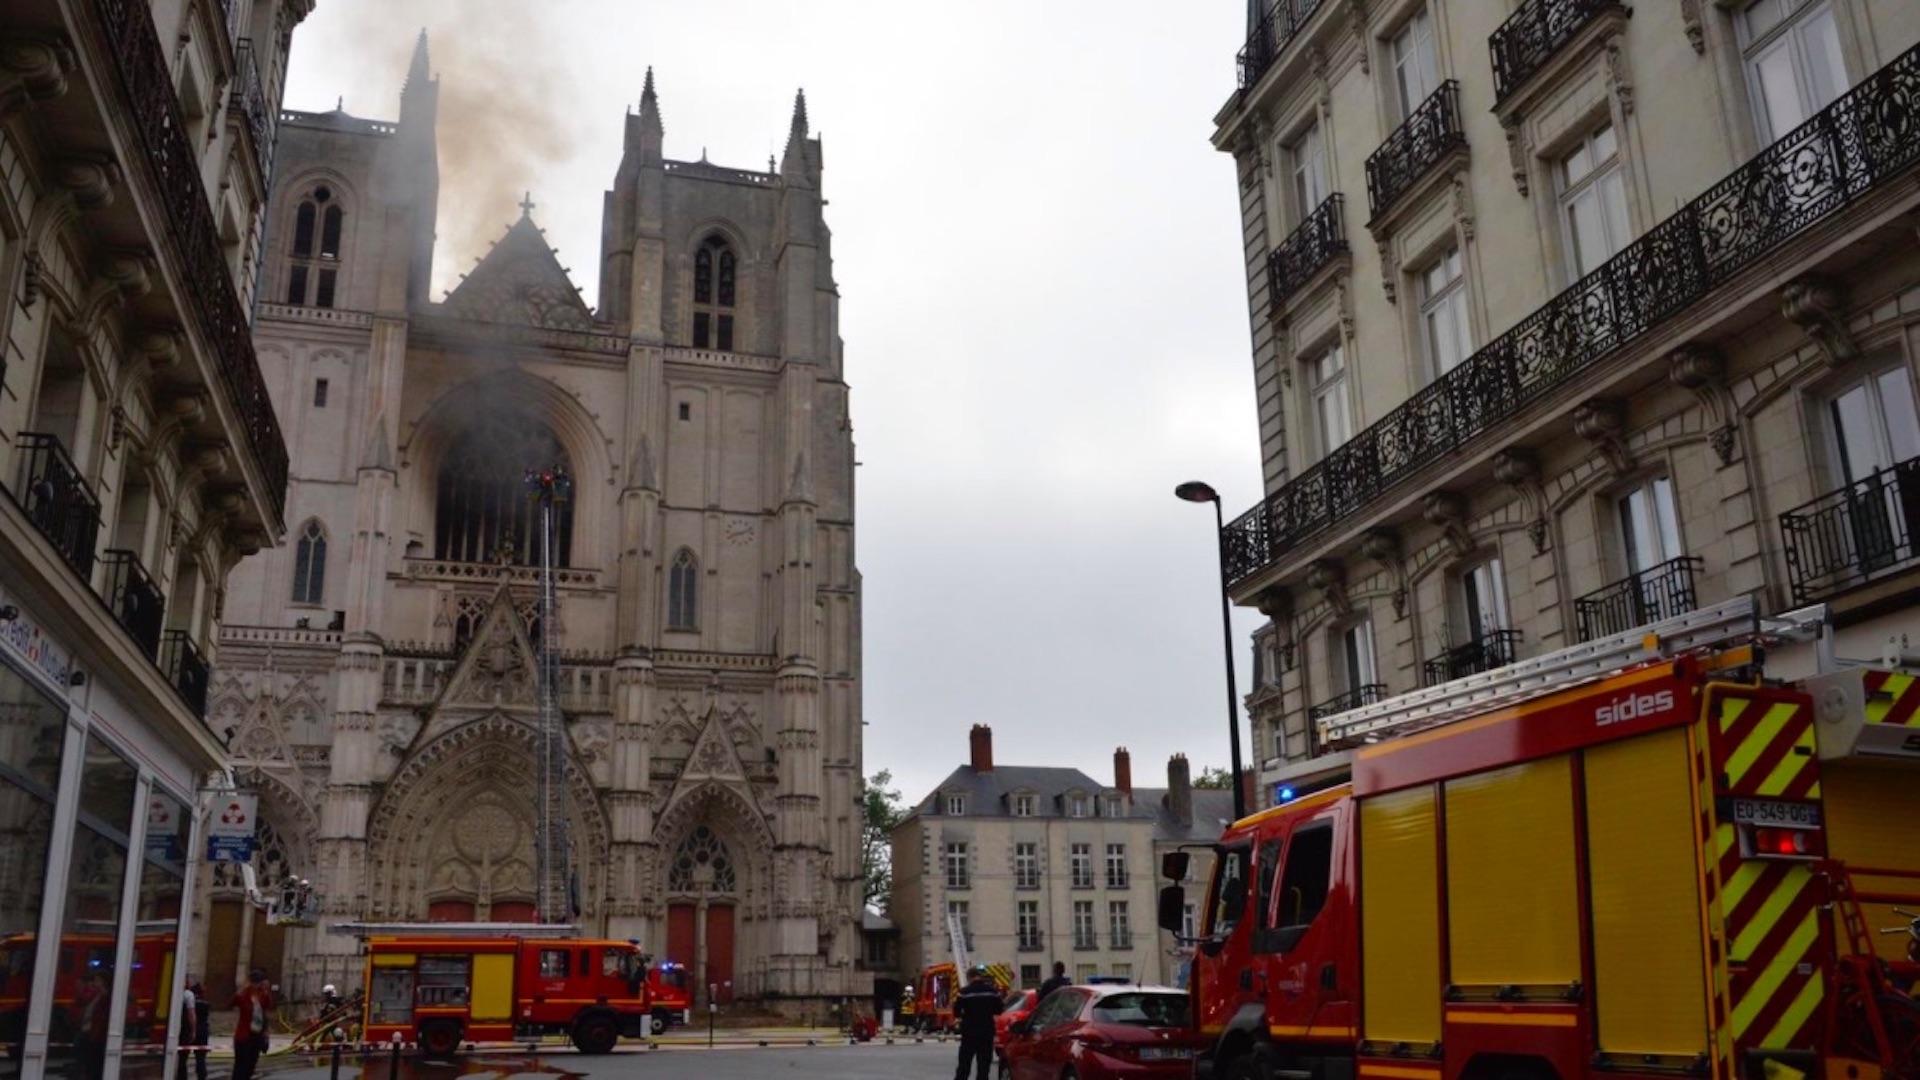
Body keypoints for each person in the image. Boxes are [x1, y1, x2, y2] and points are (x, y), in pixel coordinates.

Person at [951, 965, 1002, 1080]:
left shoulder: (964, 992)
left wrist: (966, 1015)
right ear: (980, 976)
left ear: (969, 977)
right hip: (986, 1031)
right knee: (984, 1065)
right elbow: (999, 1009)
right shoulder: (993, 992)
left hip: (969, 1032)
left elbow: (957, 1012)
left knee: (964, 1064)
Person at [231, 968, 274, 1080]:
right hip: (244, 1035)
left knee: (251, 1065)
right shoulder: (244, 994)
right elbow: (233, 1002)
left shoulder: (263, 995)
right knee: (240, 1067)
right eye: (254, 981)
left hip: (257, 1035)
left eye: (258, 982)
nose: (256, 984)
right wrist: (242, 988)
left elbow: (267, 1009)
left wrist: (265, 1033)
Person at [70, 969, 109, 1080]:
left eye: (97, 981)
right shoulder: (94, 996)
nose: (93, 983)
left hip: (95, 1036)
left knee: (93, 1065)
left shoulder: (105, 998)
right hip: (87, 1032)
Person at [178, 977, 209, 1080]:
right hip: (201, 1032)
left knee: (182, 1059)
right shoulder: (204, 1004)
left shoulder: (182, 996)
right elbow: (192, 1015)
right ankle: (202, 1077)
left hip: (186, 1030)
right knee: (200, 1059)